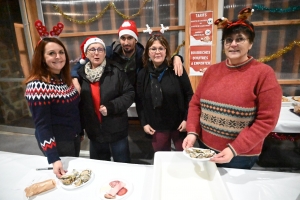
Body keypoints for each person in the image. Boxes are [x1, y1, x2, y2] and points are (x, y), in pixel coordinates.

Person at [182, 8, 282, 169]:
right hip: (203, 148)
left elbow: (266, 120)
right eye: (228, 40)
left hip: (239, 155)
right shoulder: (212, 71)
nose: (233, 44)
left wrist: (234, 149)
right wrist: (192, 132)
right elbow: (195, 104)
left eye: (240, 39)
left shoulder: (263, 74)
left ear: (250, 43)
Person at [71, 20, 184, 94]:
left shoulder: (142, 55)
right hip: (113, 94)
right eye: (123, 38)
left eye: (130, 38)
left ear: (135, 39)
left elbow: (159, 58)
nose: (126, 42)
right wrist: (75, 78)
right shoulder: (110, 52)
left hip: (134, 94)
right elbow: (83, 62)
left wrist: (177, 57)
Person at [24, 37, 83, 178]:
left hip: (73, 137)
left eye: (61, 52)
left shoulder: (64, 79)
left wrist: (79, 132)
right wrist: (54, 157)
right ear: (42, 58)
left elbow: (73, 110)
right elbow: (42, 126)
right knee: (67, 178)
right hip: (58, 142)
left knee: (74, 174)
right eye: (51, 53)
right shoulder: (37, 86)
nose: (58, 56)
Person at [77, 36, 134, 163]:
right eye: (92, 49)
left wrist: (111, 107)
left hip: (116, 129)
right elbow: (79, 105)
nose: (96, 53)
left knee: (123, 164)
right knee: (100, 166)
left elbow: (129, 94)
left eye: (100, 49)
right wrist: (80, 129)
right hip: (94, 131)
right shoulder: (80, 76)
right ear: (86, 53)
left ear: (105, 53)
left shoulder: (116, 71)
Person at [136, 34, 194, 152]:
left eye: (161, 48)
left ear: (166, 51)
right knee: (162, 157)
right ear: (148, 52)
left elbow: (189, 95)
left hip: (179, 125)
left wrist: (187, 119)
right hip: (156, 126)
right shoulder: (143, 74)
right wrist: (144, 123)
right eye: (153, 48)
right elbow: (139, 100)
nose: (157, 52)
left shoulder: (176, 69)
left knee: (183, 157)